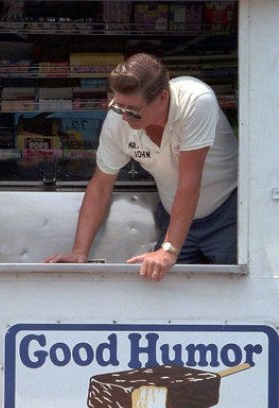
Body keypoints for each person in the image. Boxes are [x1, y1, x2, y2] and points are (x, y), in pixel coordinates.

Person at [45, 53, 238, 281]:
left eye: (133, 111)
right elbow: (101, 186)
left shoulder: (196, 101)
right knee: (161, 291)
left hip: (228, 214)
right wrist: (79, 251)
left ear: (162, 98)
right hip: (174, 216)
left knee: (235, 288)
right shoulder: (118, 118)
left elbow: (189, 182)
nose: (124, 117)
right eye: (119, 106)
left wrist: (169, 250)